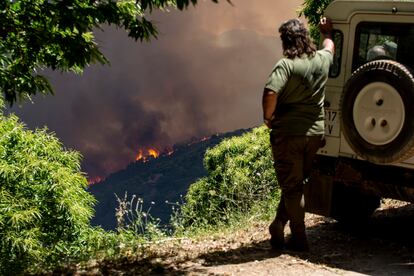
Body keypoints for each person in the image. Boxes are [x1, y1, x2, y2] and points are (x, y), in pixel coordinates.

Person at [262, 17, 334, 251]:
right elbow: (330, 46)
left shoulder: (286, 64)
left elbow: (271, 91)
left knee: (292, 187)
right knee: (296, 183)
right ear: (305, 37)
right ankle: (278, 223)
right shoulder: (322, 60)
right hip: (314, 134)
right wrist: (327, 32)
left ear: (285, 40)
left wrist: (268, 117)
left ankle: (300, 237)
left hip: (288, 135)